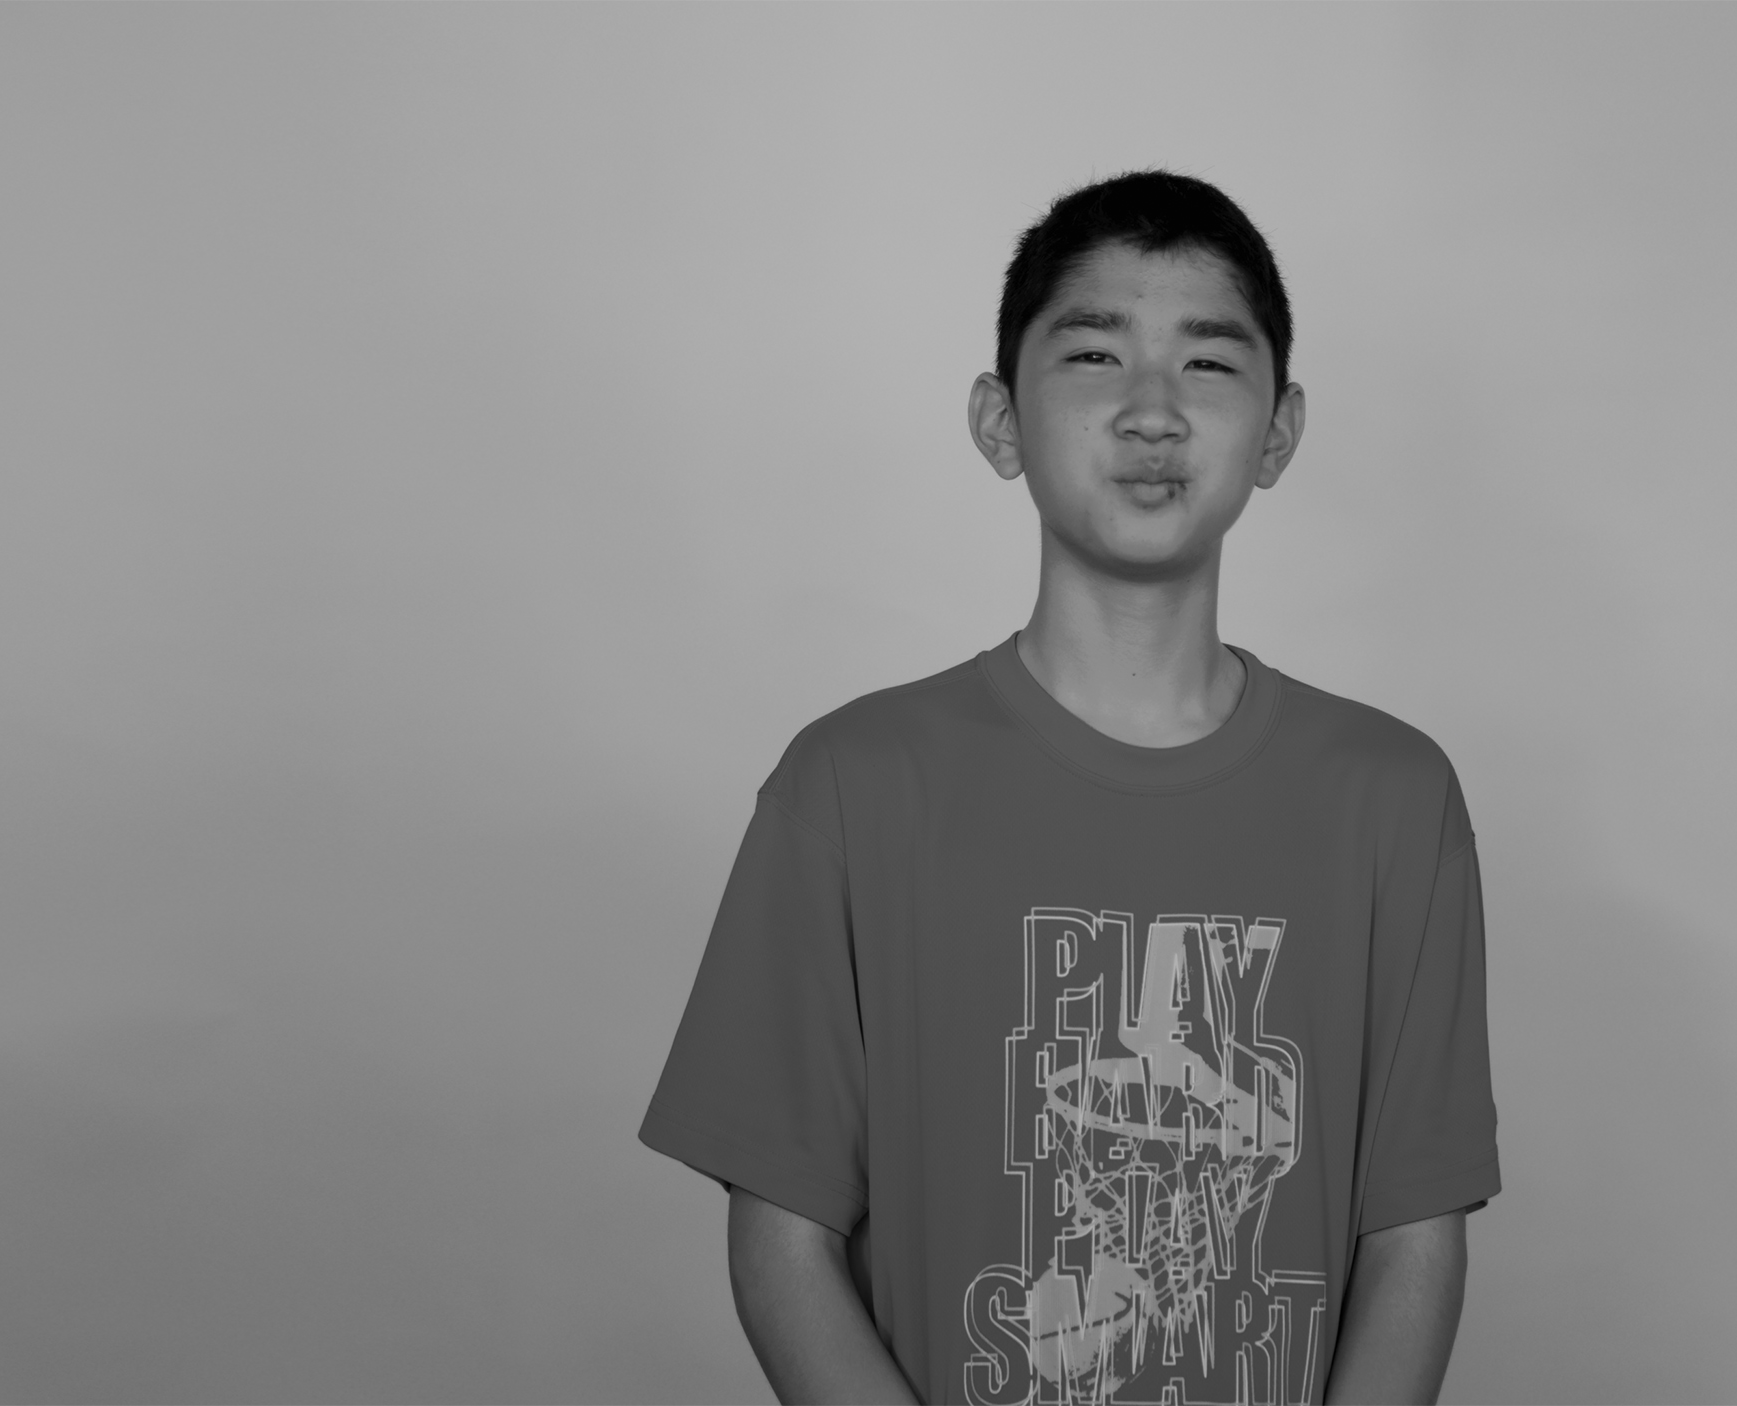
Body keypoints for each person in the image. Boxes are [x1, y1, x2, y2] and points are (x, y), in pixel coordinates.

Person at [640, 170, 1500, 1405]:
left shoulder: (1392, 800)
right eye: (1095, 355)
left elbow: (1412, 1239)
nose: (1152, 411)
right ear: (999, 420)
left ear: (1278, 430)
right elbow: (783, 1240)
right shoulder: (851, 786)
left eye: (1208, 363)